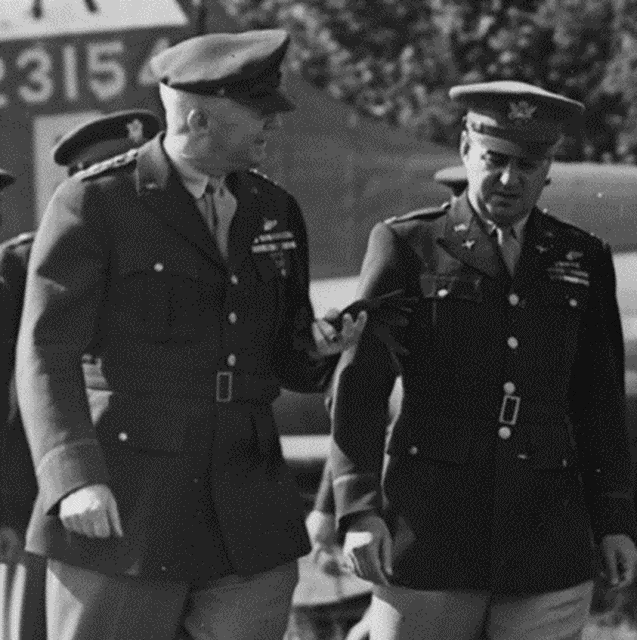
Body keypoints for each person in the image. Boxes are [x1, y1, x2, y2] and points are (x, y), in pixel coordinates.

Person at [15, 30, 373, 640]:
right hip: (129, 505)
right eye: (259, 113)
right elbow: (45, 349)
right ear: (200, 118)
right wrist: (72, 476)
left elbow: (286, 353)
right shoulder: (95, 203)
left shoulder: (272, 209)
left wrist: (318, 349)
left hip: (247, 505)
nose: (273, 126)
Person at [328, 81, 637, 640]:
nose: (509, 179)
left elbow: (599, 401)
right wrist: (358, 510)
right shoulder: (407, 245)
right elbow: (361, 388)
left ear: (548, 171)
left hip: (545, 536)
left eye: (528, 164)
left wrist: (615, 520)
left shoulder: (580, 257)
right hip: (430, 531)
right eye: (495, 159)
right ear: (466, 151)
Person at [0, 109, 162, 640]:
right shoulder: (24, 266)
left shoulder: (190, 247)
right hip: (50, 499)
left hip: (165, 491)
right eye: (107, 171)